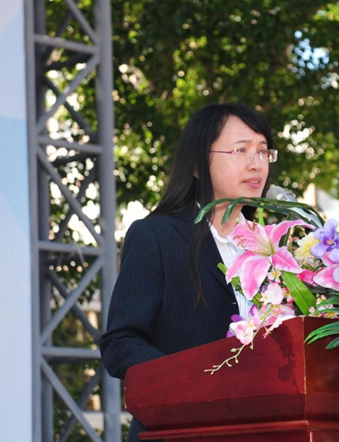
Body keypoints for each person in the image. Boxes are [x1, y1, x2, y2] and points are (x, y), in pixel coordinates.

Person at [100, 102, 277, 442]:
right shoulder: (157, 235)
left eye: (263, 151)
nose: (256, 163)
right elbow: (121, 342)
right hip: (179, 430)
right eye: (240, 150)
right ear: (197, 165)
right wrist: (190, 384)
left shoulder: (271, 247)